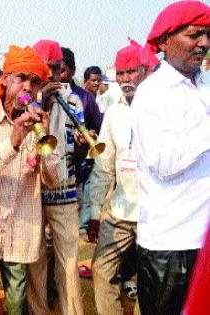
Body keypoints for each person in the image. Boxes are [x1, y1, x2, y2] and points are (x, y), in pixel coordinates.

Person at [0, 45, 63, 315]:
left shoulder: (40, 121)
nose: (27, 87)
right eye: (21, 78)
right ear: (5, 81)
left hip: (21, 232)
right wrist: (12, 143)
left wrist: (44, 143)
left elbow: (54, 179)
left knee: (16, 304)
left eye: (35, 81)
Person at [130, 1, 210, 314]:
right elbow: (164, 163)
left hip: (204, 239)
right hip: (171, 245)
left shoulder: (206, 86)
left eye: (207, 35)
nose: (204, 43)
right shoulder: (152, 93)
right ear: (164, 42)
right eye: (194, 35)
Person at [89, 40, 150, 314]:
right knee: (102, 270)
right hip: (121, 210)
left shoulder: (159, 109)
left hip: (155, 214)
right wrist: (93, 210)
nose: (126, 80)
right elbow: (103, 165)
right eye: (121, 74)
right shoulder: (113, 113)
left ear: (146, 71)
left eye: (132, 72)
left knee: (150, 279)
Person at [26, 39, 84, 315]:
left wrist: (84, 147)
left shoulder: (73, 100)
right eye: (45, 69)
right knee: (36, 259)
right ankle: (38, 310)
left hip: (64, 189)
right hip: (33, 191)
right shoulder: (24, 99)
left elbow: (77, 151)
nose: (51, 75)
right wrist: (42, 104)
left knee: (69, 261)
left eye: (56, 69)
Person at [60, 48, 103, 244]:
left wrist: (89, 136)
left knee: (69, 233)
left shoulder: (86, 99)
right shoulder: (41, 96)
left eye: (60, 70)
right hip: (47, 179)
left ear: (72, 71)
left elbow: (99, 127)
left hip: (75, 170)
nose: (55, 75)